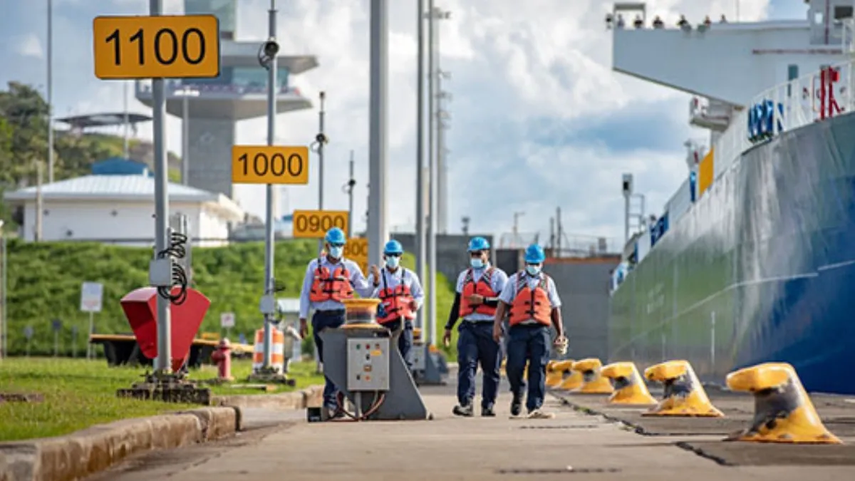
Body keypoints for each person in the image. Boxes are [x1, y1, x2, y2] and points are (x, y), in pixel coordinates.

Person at [299, 227, 377, 417]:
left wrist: (374, 281)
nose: (337, 248)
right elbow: (305, 293)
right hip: (321, 318)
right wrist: (302, 319)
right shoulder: (314, 266)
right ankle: (335, 401)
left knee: (340, 361)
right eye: (334, 245)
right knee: (327, 360)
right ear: (327, 245)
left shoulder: (351, 267)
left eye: (340, 245)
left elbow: (365, 292)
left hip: (342, 317)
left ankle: (332, 401)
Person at [493, 243, 567, 419]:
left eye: (536, 263)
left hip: (540, 330)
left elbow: (555, 308)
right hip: (518, 330)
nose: (533, 266)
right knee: (514, 365)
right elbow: (502, 303)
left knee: (538, 367)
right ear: (525, 262)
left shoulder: (548, 283)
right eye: (530, 263)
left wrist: (560, 333)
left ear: (542, 263)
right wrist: (497, 325)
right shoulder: (514, 281)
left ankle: (534, 406)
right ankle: (518, 391)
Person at [443, 236, 509, 417]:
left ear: (487, 254)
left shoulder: (498, 276)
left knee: (491, 369)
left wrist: (485, 300)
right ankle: (466, 403)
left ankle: (488, 404)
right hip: (468, 327)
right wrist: (448, 326)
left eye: (479, 254)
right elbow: (457, 303)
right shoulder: (464, 277)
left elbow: (505, 303)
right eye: (473, 254)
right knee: (466, 364)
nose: (476, 257)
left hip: (490, 327)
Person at [372, 240, 424, 371]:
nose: (392, 258)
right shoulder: (378, 276)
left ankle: (405, 389)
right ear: (384, 257)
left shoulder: (409, 276)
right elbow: (368, 296)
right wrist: (375, 283)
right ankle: (383, 389)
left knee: (406, 358)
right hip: (383, 323)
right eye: (389, 255)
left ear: (401, 256)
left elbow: (419, 294)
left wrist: (416, 303)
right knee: (382, 358)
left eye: (396, 255)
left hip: (404, 322)